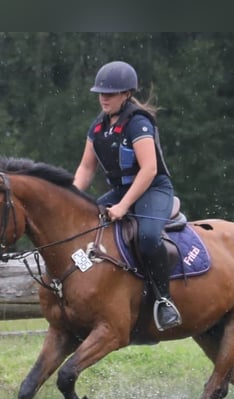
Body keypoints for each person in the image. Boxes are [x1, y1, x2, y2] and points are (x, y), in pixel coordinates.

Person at [72, 61, 182, 331]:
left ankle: (164, 301)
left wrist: (122, 206)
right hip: (120, 191)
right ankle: (85, 285)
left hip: (153, 189)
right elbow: (86, 167)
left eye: (110, 93)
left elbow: (149, 169)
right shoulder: (97, 127)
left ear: (127, 94)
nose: (103, 98)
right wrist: (71, 199)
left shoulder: (138, 123)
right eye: (101, 93)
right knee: (79, 234)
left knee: (147, 238)